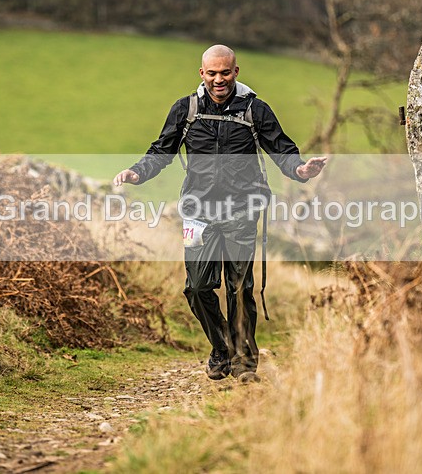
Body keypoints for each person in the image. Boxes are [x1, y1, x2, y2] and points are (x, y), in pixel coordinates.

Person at [114, 45, 326, 382]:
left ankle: (244, 363)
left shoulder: (255, 110)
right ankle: (222, 347)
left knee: (239, 287)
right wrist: (137, 172)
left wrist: (301, 170)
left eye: (225, 72)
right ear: (202, 74)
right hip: (198, 212)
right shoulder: (186, 110)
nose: (218, 79)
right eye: (212, 73)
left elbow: (281, 149)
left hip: (242, 210)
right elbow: (162, 150)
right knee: (197, 288)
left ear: (235, 72)